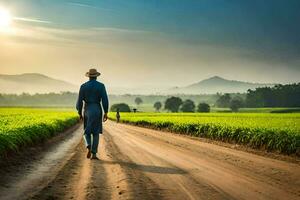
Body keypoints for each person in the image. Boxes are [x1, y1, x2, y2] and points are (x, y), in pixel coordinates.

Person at [76, 68, 109, 160]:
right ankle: (94, 154)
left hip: (87, 109)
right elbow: (105, 100)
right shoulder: (101, 86)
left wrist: (79, 112)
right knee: (95, 132)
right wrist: (106, 112)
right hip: (97, 109)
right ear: (96, 77)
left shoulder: (83, 86)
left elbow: (79, 101)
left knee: (87, 131)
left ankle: (88, 146)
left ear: (89, 76)